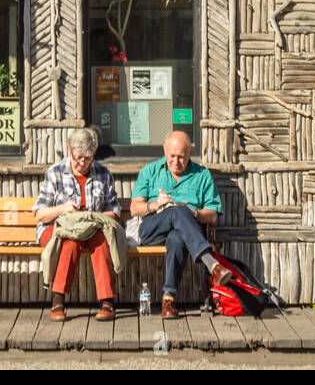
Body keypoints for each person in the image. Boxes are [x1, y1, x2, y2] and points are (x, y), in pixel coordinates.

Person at [130, 130, 230, 318]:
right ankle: (212, 264)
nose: (176, 162)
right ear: (164, 150)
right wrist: (155, 205)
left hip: (186, 233)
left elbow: (212, 215)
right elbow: (135, 208)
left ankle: (169, 299)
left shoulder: (202, 175)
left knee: (177, 237)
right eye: (172, 156)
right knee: (177, 211)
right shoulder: (150, 171)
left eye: (181, 157)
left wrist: (194, 213)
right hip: (153, 228)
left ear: (190, 153)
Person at [32, 126, 122, 322]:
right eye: (78, 157)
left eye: (87, 159)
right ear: (69, 150)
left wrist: (93, 218)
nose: (82, 163)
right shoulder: (55, 173)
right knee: (71, 242)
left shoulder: (103, 174)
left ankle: (107, 302)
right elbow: (39, 214)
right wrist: (63, 208)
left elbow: (114, 210)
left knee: (101, 241)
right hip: (57, 229)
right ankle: (58, 300)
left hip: (91, 228)